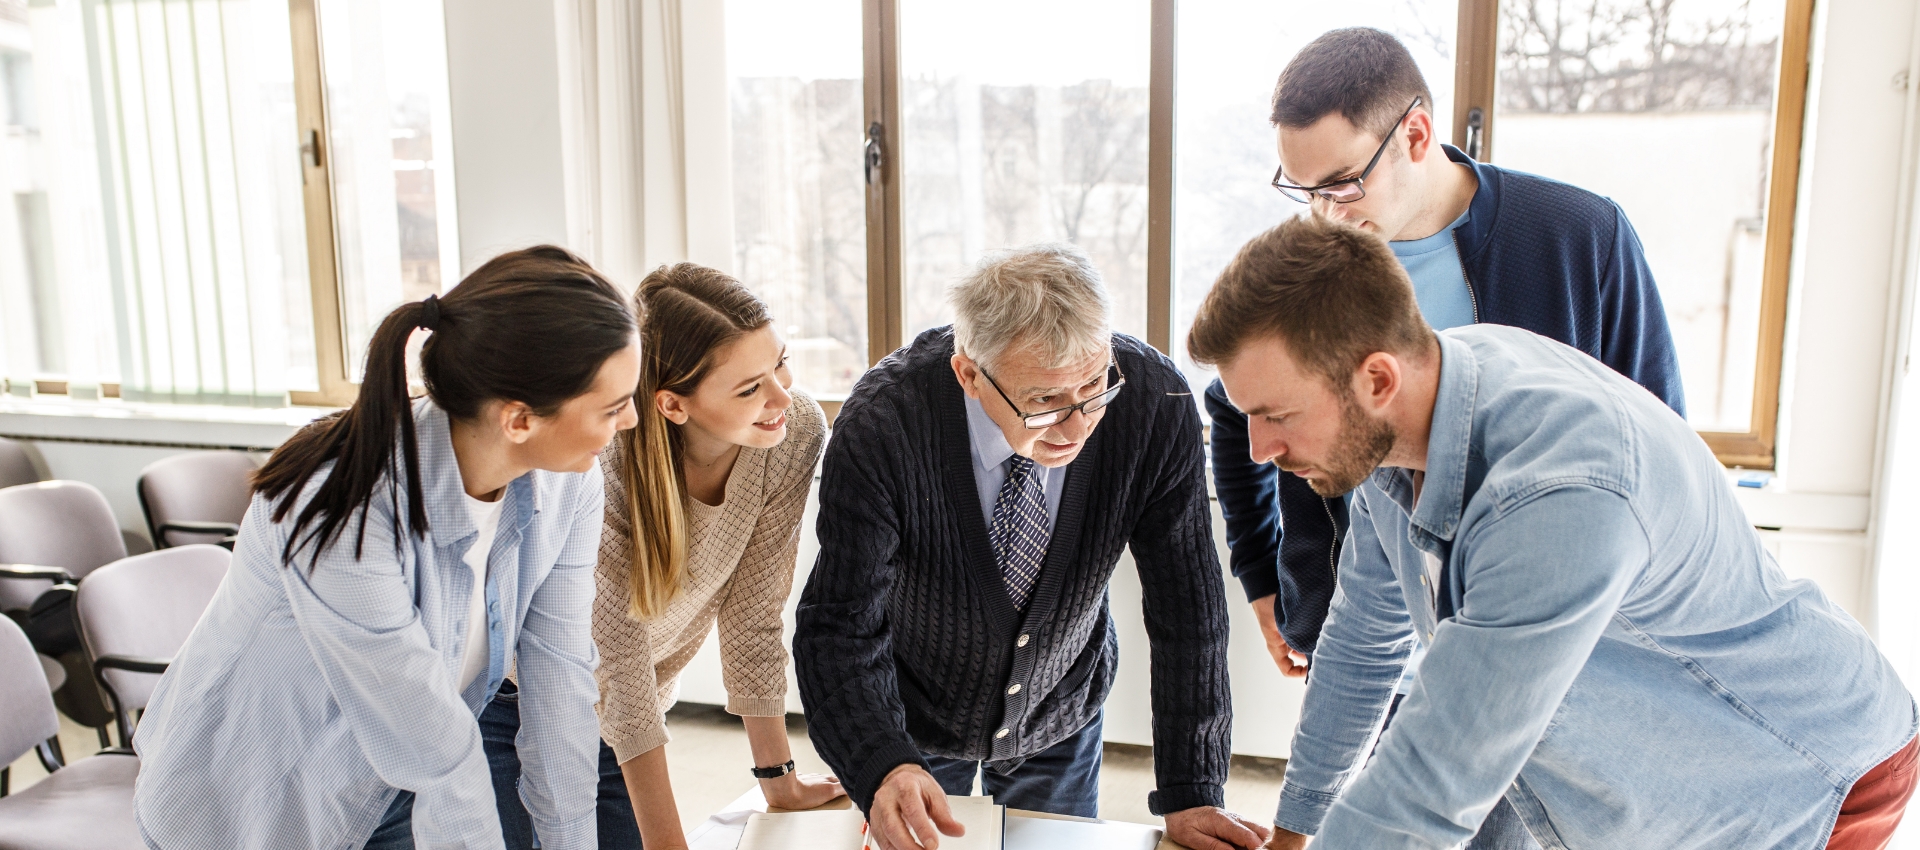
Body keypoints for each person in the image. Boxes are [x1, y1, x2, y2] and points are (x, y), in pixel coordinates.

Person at [1189, 215, 1918, 850]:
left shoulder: (1557, 493)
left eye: (1276, 416)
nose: (1258, 451)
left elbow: (1431, 785)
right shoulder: (1406, 418)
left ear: (1377, 379)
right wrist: (1295, 829)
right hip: (1681, 758)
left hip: (1800, 774)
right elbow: (1362, 638)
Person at [1209, 26, 1684, 678]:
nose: (1325, 213)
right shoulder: (1308, 265)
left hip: (1555, 652)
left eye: (1343, 183)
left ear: (1416, 135)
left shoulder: (1579, 236)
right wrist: (1261, 574)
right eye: (1304, 191)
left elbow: (1661, 441)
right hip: (1371, 656)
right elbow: (1234, 411)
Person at [131, 247, 639, 850]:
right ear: (519, 419)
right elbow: (432, 743)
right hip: (254, 801)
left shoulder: (569, 483)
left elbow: (560, 676)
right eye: (612, 407)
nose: (630, 420)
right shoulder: (339, 500)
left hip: (393, 787)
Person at [795, 244, 1269, 850]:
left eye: (1095, 386)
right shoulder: (884, 422)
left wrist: (1193, 788)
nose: (1077, 426)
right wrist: (881, 763)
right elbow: (838, 624)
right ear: (968, 373)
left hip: (1061, 705)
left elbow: (1188, 610)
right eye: (1043, 401)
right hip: (909, 714)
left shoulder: (1153, 402)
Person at [481, 263, 845, 847]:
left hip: (625, 714)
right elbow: (615, 659)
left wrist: (778, 780)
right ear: (673, 405)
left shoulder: (794, 429)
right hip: (514, 701)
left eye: (779, 361)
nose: (782, 394)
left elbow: (753, 611)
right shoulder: (603, 465)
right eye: (750, 387)